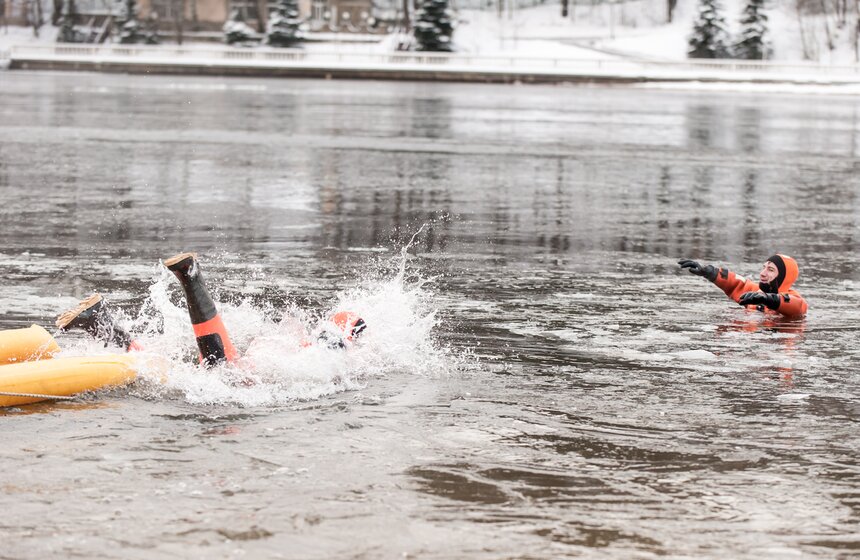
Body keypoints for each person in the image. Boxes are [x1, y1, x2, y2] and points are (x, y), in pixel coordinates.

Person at [56, 252, 367, 365]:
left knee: (164, 363)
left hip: (267, 355)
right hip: (266, 362)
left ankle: (99, 321)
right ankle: (191, 277)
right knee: (222, 370)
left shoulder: (315, 336)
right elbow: (349, 332)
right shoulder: (335, 342)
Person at [678, 254, 808, 318]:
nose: (762, 273)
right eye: (763, 268)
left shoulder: (794, 299)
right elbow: (736, 283)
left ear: (783, 277)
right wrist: (709, 272)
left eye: (770, 270)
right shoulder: (755, 291)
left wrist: (768, 299)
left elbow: (796, 306)